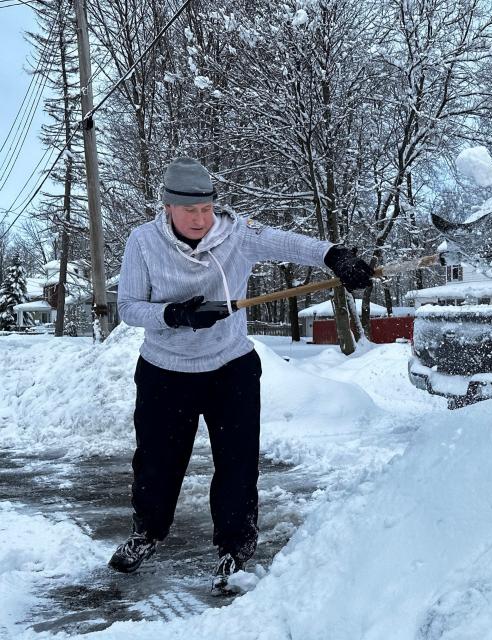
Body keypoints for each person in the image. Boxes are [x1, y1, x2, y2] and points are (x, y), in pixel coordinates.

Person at [109, 157, 373, 591]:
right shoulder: (143, 242)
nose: (200, 218)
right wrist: (174, 314)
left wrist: (333, 256)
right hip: (164, 372)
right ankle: (147, 533)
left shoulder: (235, 234)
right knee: (157, 463)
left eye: (206, 209)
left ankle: (235, 548)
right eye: (189, 210)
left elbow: (288, 243)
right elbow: (129, 307)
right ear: (168, 207)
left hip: (230, 368)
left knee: (237, 463)